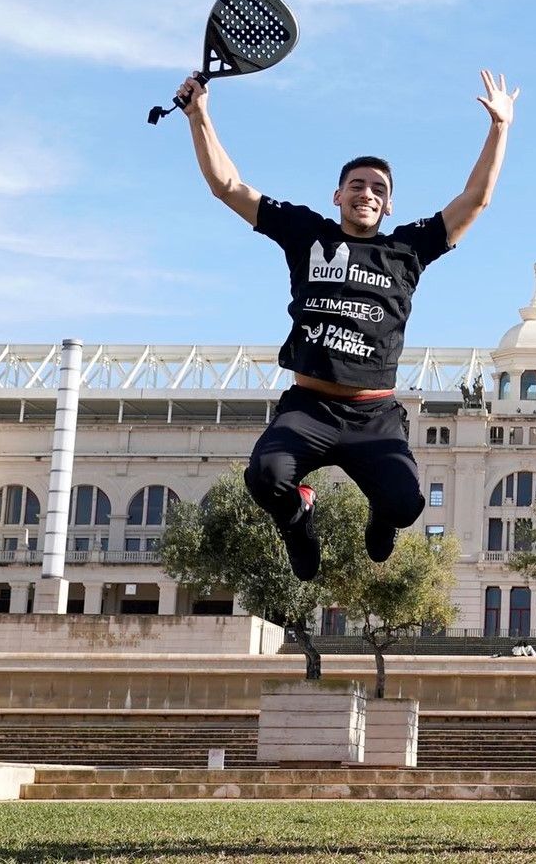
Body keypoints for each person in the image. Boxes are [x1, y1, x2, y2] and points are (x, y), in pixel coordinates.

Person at [177, 70, 518, 581]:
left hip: (373, 416)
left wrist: (500, 128)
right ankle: (298, 519)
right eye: (356, 184)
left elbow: (475, 199)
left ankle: (382, 517)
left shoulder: (407, 249)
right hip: (309, 408)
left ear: (389, 204)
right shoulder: (305, 233)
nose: (367, 192)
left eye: (378, 188)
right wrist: (198, 114)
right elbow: (227, 186)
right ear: (337, 195)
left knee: (406, 506)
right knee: (266, 478)